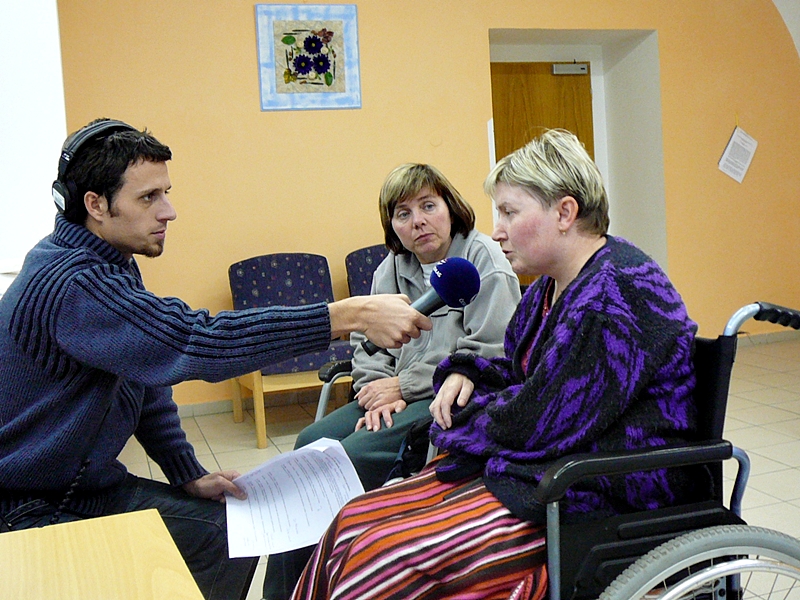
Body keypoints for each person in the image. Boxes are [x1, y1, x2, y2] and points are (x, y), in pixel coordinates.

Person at [0, 118, 430, 600]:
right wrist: (344, 315)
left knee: (227, 534)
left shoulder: (109, 264)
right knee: (209, 544)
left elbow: (146, 380)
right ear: (95, 205)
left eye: (165, 193)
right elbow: (194, 342)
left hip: (85, 489)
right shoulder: (74, 283)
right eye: (148, 198)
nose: (168, 211)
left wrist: (187, 473)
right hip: (29, 508)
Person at [288, 129, 706, 600]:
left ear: (565, 213)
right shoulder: (550, 286)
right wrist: (467, 371)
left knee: (377, 555)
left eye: (509, 212)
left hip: (600, 488)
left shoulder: (614, 295)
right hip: (545, 469)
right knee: (351, 521)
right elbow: (515, 369)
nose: (499, 229)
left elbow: (540, 423)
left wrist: (459, 424)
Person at [262, 163, 520, 599]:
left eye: (428, 206)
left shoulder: (482, 261)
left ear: (451, 208)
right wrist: (377, 388)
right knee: (309, 444)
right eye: (403, 213)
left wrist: (405, 386)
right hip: (390, 393)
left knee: (349, 457)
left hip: (448, 398)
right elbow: (367, 344)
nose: (418, 221)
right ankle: (286, 590)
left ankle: (334, 579)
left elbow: (490, 349)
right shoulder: (391, 269)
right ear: (392, 226)